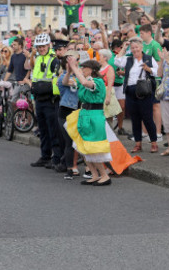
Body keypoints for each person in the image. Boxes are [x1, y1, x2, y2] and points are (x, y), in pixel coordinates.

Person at [64, 58, 112, 186]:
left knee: (92, 148)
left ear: (91, 69)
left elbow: (85, 83)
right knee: (83, 147)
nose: (82, 70)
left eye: (84, 68)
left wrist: (74, 67)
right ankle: (95, 175)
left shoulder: (97, 81)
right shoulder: (86, 80)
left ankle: (104, 175)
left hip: (94, 116)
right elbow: (65, 82)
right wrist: (69, 71)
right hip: (85, 114)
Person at [114, 37, 159, 153]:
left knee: (147, 118)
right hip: (130, 90)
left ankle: (154, 143)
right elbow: (116, 61)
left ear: (141, 47)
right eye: (132, 48)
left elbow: (158, 72)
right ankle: (138, 144)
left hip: (144, 90)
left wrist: (148, 69)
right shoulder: (128, 59)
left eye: (137, 47)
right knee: (135, 119)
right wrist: (124, 47)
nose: (135, 50)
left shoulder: (149, 58)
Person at [28, 33, 62, 170]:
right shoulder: (38, 58)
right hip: (39, 99)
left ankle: (56, 158)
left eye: (43, 46)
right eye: (39, 46)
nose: (41, 48)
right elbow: (36, 78)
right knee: (43, 130)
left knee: (53, 130)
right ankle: (45, 156)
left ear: (49, 45)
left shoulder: (54, 60)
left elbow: (56, 80)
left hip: (50, 100)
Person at [58, 50, 82, 179]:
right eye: (70, 61)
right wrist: (69, 70)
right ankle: (69, 168)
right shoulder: (63, 76)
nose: (73, 63)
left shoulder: (81, 75)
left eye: (75, 60)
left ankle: (75, 166)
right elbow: (65, 82)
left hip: (78, 111)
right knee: (69, 141)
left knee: (76, 141)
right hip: (65, 112)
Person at [98, 49, 122, 123]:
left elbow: (110, 83)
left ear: (105, 57)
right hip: (99, 92)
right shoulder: (98, 68)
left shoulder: (109, 68)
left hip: (106, 91)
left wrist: (108, 97)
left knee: (107, 116)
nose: (98, 57)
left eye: (100, 56)